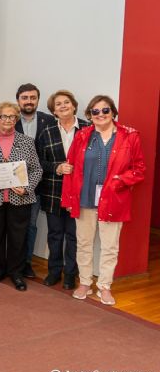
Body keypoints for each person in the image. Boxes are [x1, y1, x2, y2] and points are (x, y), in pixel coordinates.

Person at [62, 95, 145, 306]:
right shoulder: (82, 136)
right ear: (90, 115)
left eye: (105, 110)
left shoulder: (130, 136)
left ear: (113, 112)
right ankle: (85, 283)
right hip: (85, 198)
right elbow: (71, 166)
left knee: (110, 246)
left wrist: (119, 181)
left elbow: (139, 170)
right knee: (84, 243)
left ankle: (105, 286)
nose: (100, 115)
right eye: (95, 111)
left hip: (114, 199)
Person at [0, 102, 42, 291]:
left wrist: (26, 188)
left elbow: (36, 170)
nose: (7, 120)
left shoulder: (26, 142)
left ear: (16, 119)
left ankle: (16, 273)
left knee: (17, 238)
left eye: (12, 116)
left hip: (20, 198)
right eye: (3, 116)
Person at [36, 90, 89, 290]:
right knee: (55, 234)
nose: (63, 106)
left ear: (74, 105)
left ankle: (70, 275)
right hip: (53, 191)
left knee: (74, 235)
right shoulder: (46, 132)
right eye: (58, 104)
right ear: (53, 111)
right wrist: (57, 167)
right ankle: (54, 271)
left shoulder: (88, 129)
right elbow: (39, 162)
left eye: (66, 102)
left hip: (79, 192)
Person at [14, 83, 56, 278]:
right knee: (12, 224)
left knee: (30, 224)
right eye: (25, 98)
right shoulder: (10, 120)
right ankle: (11, 261)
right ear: (18, 100)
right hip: (12, 183)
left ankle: (26, 263)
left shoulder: (50, 121)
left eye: (32, 97)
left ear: (38, 100)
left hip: (39, 184)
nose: (29, 101)